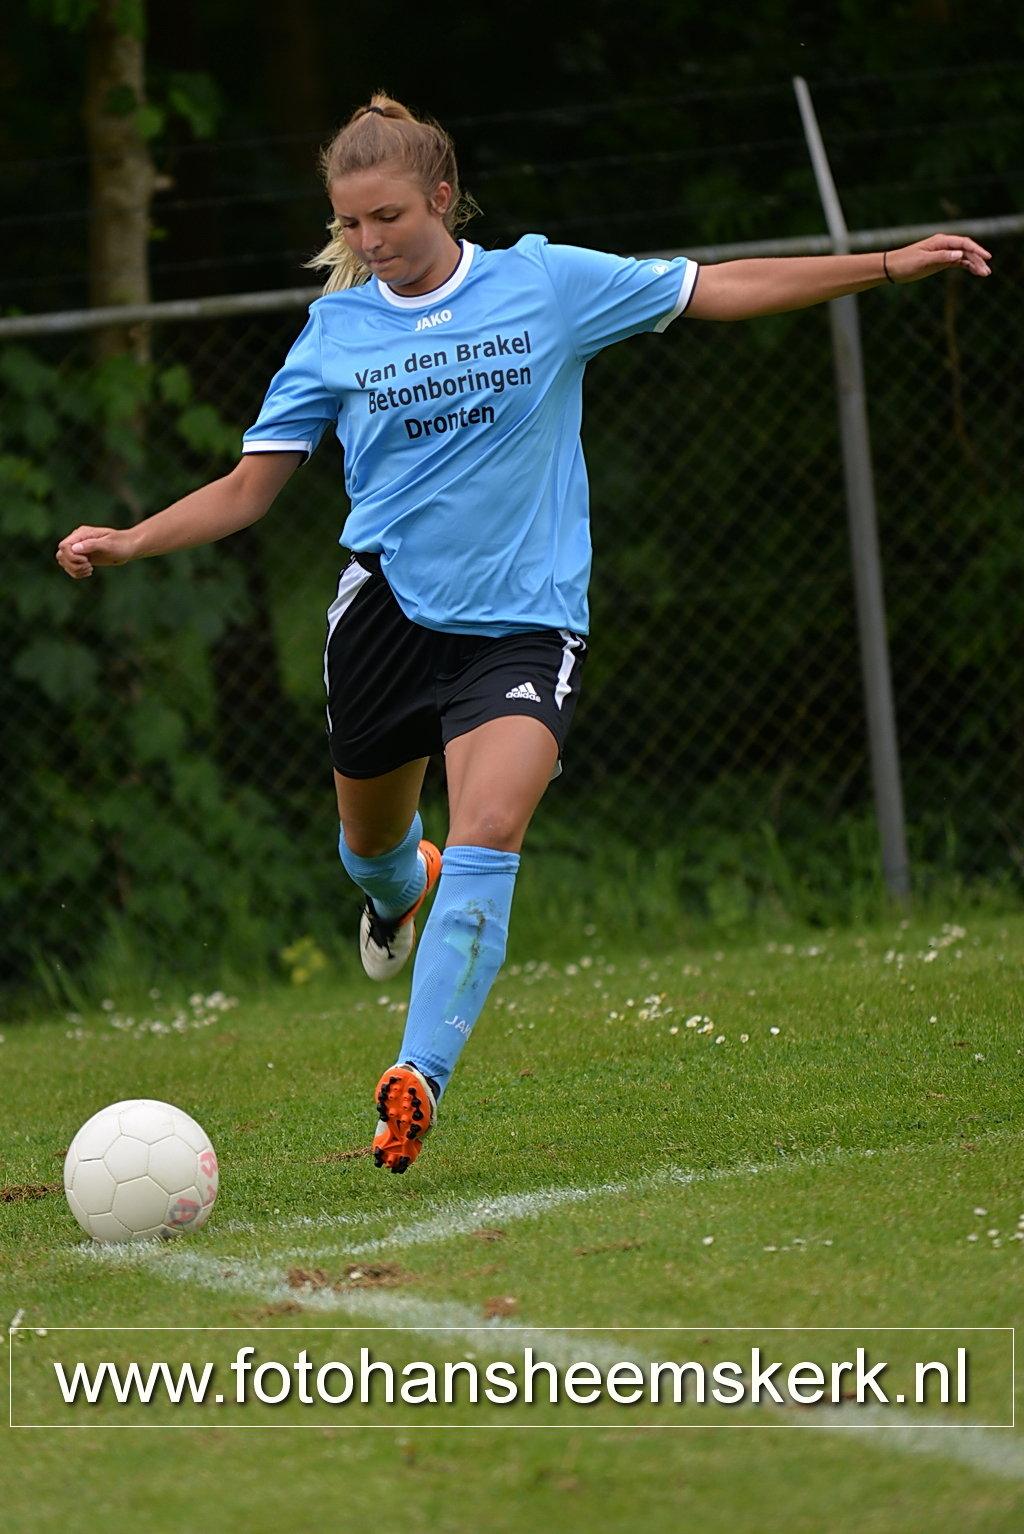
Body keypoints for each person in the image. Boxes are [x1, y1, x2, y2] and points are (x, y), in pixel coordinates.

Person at [56, 94, 991, 1176]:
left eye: (388, 218)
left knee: (493, 826)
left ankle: (416, 1079)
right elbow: (249, 489)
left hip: (525, 626)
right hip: (387, 621)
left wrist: (879, 265)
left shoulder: (542, 284)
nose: (368, 244)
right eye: (350, 225)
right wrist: (131, 541)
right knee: (370, 849)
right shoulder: (338, 330)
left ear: (443, 197)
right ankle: (398, 888)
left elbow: (711, 285)